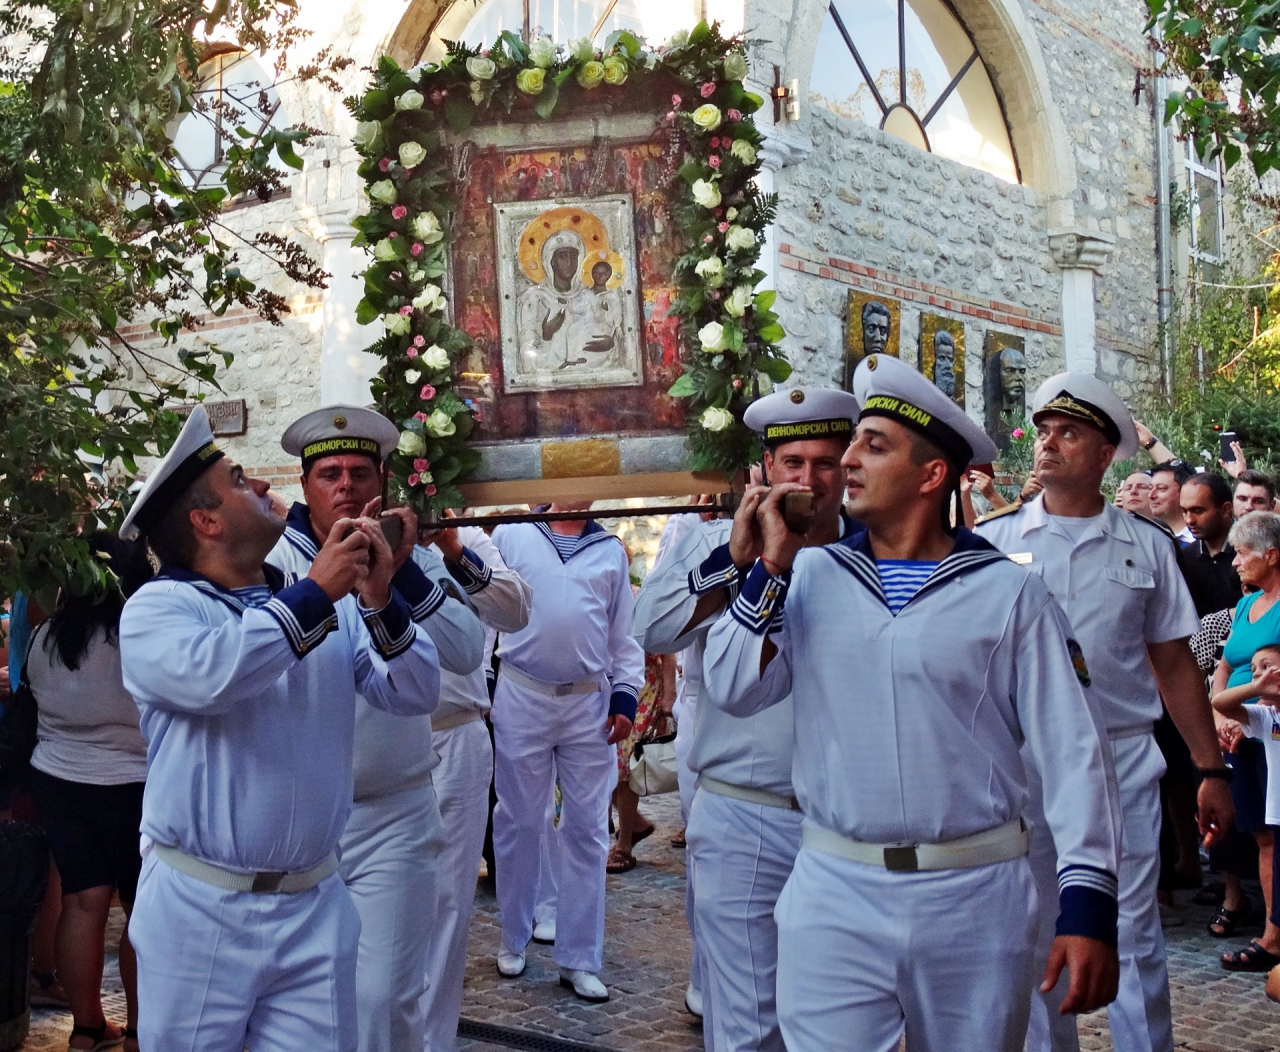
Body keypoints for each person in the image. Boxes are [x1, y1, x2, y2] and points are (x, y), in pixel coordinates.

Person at [704, 355, 1124, 1051]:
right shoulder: (811, 574)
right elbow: (735, 688)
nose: (847, 462)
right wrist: (764, 571)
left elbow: (1076, 752)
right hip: (834, 888)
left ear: (932, 476)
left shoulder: (1009, 591)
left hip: (974, 895)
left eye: (873, 446)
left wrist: (1087, 908)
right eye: (853, 444)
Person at [117, 405, 442, 1052]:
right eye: (240, 480)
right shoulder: (159, 609)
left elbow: (413, 692)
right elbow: (217, 674)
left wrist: (378, 598)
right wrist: (320, 592)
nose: (264, 486)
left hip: (314, 904)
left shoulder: (313, 599)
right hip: (200, 909)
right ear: (206, 521)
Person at [976, 373, 1233, 1052]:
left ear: (1103, 454)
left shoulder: (1147, 546)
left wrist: (1210, 768)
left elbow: (1174, 665)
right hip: (1022, 765)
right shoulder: (992, 543)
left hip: (1119, 758)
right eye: (1044, 431)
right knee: (1032, 929)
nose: (1048, 443)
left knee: (1133, 930)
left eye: (1069, 433)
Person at [635, 387, 861, 1052]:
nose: (809, 480)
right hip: (745, 813)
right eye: (794, 462)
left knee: (844, 1021)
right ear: (764, 469)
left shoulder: (876, 550)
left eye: (826, 462)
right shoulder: (716, 542)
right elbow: (651, 626)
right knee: (746, 1023)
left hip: (847, 818)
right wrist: (733, 562)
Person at [265, 406, 493, 1052]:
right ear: (306, 484)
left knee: (386, 996)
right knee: (309, 997)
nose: (346, 487)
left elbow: (466, 648)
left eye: (360, 473)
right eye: (330, 473)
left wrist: (401, 571)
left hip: (393, 810)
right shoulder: (272, 562)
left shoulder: (412, 557)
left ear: (382, 484)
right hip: (301, 819)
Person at [489, 501, 646, 1002]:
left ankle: (580, 956)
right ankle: (514, 935)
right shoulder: (514, 534)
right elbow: (488, 604)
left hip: (587, 702)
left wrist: (625, 692)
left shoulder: (609, 551)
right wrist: (486, 686)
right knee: (519, 820)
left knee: (587, 829)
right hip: (522, 691)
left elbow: (623, 634)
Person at [26, 532, 153, 1052]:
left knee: (83, 904)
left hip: (59, 782)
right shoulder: (139, 641)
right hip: (134, 787)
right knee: (141, 911)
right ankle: (141, 1033)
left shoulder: (44, 639)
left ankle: (86, 1028)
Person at [1207, 512, 1280, 972]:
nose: (1235, 561)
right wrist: (1219, 712)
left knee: (1279, 830)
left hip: (1270, 726)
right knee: (1260, 832)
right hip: (1238, 727)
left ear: (1272, 555)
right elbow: (1224, 661)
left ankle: (1275, 936)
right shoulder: (1246, 604)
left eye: (1244, 552)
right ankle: (1274, 932)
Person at [1148, 461, 1195, 543]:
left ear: (1184, 492)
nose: (1151, 495)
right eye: (1150, 488)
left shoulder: (1203, 541)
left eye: (1161, 488)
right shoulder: (1148, 539)